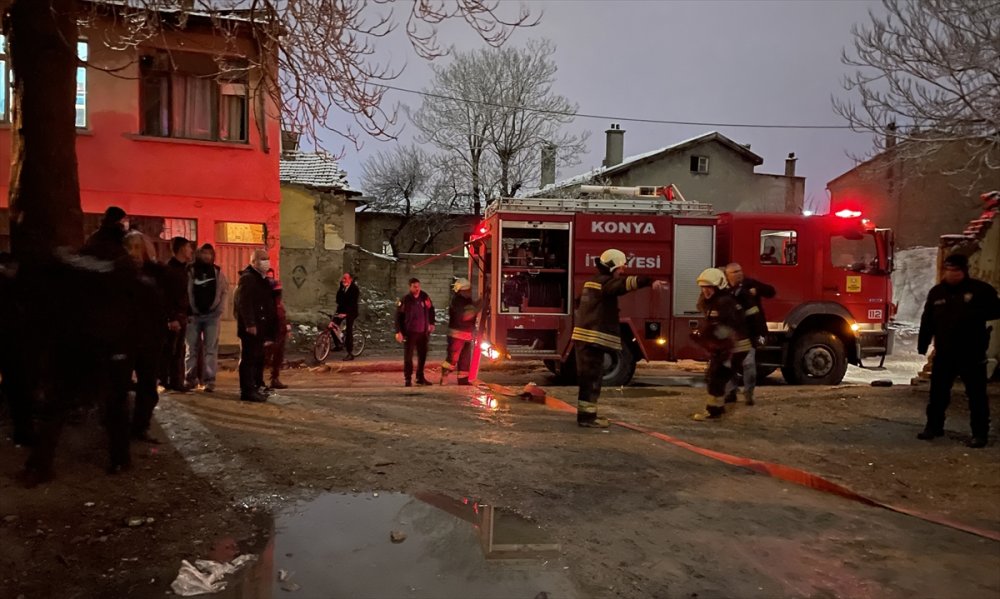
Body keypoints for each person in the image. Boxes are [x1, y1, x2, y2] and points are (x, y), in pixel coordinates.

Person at [571, 249, 668, 428]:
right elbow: (623, 285)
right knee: (592, 379)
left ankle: (586, 416)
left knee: (588, 378)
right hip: (592, 340)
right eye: (621, 267)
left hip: (586, 338)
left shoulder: (593, 282)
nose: (623, 271)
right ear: (613, 266)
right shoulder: (605, 283)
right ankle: (587, 418)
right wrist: (648, 280)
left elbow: (579, 302)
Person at [917, 253, 1000, 448]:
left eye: (956, 270)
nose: (952, 274)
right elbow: (927, 319)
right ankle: (934, 426)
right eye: (949, 270)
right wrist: (923, 343)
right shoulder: (937, 293)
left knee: (976, 395)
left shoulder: (980, 291)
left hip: (972, 353)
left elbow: (997, 309)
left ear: (964, 271)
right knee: (938, 393)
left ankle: (980, 434)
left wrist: (976, 314)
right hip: (945, 352)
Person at [122, 231, 168, 444]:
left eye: (138, 248)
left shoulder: (156, 275)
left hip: (150, 338)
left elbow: (164, 304)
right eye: (130, 248)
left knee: (148, 385)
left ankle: (141, 425)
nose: (134, 254)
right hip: (125, 337)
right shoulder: (120, 273)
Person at [691, 268, 750, 421]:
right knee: (716, 376)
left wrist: (723, 351)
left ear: (718, 286)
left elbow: (727, 329)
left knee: (717, 377)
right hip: (730, 347)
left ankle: (714, 411)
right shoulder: (718, 301)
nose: (705, 291)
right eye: (703, 288)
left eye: (709, 287)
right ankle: (717, 408)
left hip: (733, 348)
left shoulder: (723, 303)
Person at [724, 262, 776, 406]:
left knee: (748, 365)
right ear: (727, 276)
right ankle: (730, 393)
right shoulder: (724, 289)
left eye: (740, 271)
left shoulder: (749, 284)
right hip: (730, 334)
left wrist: (757, 290)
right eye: (734, 272)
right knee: (730, 365)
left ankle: (748, 393)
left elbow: (771, 291)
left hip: (749, 333)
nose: (739, 274)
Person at [235, 249, 277, 402]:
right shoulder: (248, 279)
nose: (266, 261)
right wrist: (250, 323)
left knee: (257, 358)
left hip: (260, 325)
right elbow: (244, 303)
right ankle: (247, 390)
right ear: (253, 262)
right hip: (251, 327)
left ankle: (255, 386)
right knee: (248, 359)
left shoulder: (261, 279)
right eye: (262, 259)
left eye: (267, 258)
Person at [185, 243, 228, 392]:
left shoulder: (217, 272)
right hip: (194, 316)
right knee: (191, 349)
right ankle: (190, 379)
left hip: (212, 316)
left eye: (209, 254)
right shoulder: (191, 271)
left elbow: (224, 291)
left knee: (210, 350)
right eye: (204, 253)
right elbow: (187, 291)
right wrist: (190, 310)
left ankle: (210, 381)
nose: (207, 256)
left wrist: (219, 309)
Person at [160, 236, 193, 392]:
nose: (191, 250)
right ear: (181, 249)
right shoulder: (170, 270)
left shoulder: (183, 269)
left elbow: (184, 294)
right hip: (174, 317)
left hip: (182, 315)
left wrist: (189, 313)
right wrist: (171, 318)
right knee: (171, 350)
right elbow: (166, 297)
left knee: (179, 350)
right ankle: (168, 380)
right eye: (188, 247)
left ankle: (176, 381)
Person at [440, 278, 481, 386]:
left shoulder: (467, 300)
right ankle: (444, 375)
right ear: (461, 291)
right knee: (453, 359)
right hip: (457, 335)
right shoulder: (457, 301)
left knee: (465, 360)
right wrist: (480, 304)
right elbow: (467, 315)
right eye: (468, 290)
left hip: (467, 334)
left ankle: (463, 380)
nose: (470, 292)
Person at [395, 278, 435, 387]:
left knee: (422, 355)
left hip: (423, 332)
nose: (417, 289)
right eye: (414, 286)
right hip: (410, 332)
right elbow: (398, 316)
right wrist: (399, 331)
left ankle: (420, 377)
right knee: (408, 357)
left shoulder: (424, 297)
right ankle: (408, 378)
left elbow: (431, 309)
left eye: (418, 286)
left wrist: (431, 323)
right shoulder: (405, 300)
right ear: (410, 287)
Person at [265, 268, 290, 389]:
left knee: (278, 356)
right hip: (270, 329)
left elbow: (282, 312)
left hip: (280, 329)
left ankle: (274, 378)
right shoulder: (264, 295)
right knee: (266, 355)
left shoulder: (278, 301)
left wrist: (286, 326)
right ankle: (258, 380)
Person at [335, 272, 360, 361]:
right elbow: (338, 300)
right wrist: (341, 288)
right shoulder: (342, 288)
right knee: (333, 325)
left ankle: (350, 353)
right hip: (341, 311)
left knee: (349, 330)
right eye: (343, 279)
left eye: (345, 278)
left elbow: (353, 303)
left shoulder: (354, 289)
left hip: (351, 312)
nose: (343, 280)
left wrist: (347, 314)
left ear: (350, 279)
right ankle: (338, 345)